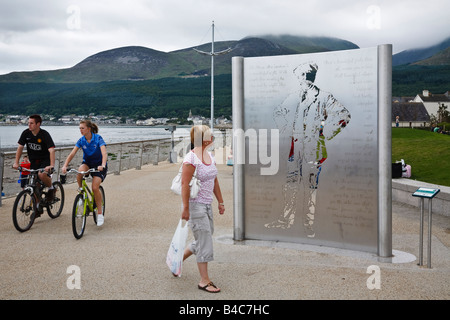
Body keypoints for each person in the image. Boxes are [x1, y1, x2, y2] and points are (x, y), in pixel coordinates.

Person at [265, 62, 351, 237]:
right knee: (291, 183)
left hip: (314, 147)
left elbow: (344, 115)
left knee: (311, 185)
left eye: (305, 76)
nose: (303, 79)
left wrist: (324, 132)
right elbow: (278, 113)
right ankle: (286, 220)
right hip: (295, 146)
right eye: (301, 76)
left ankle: (308, 224)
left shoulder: (325, 97)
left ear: (309, 76)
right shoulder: (293, 97)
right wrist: (287, 129)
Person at [180, 125, 225, 293]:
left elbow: (214, 180)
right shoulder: (191, 159)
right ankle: (204, 281)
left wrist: (220, 201)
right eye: (210, 135)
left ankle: (178, 259)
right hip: (195, 205)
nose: (213, 138)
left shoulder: (209, 156)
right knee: (204, 239)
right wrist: (186, 209)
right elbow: (185, 184)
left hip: (207, 205)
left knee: (204, 235)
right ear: (203, 139)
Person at [61, 119, 108, 226]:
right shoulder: (81, 140)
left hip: (99, 165)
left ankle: (100, 213)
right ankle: (81, 192)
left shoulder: (98, 138)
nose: (81, 130)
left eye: (83, 128)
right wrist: (65, 165)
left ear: (89, 129)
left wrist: (103, 165)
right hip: (87, 163)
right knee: (80, 172)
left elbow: (104, 153)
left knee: (95, 187)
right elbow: (72, 153)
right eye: (80, 128)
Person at [13, 115, 56, 203]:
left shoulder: (44, 134)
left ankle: (51, 188)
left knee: (41, 174)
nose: (29, 125)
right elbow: (20, 148)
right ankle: (37, 207)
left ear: (38, 124)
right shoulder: (26, 133)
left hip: (45, 159)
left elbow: (51, 150)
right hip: (33, 160)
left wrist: (51, 165)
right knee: (34, 184)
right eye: (28, 123)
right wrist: (16, 163)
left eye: (31, 123)